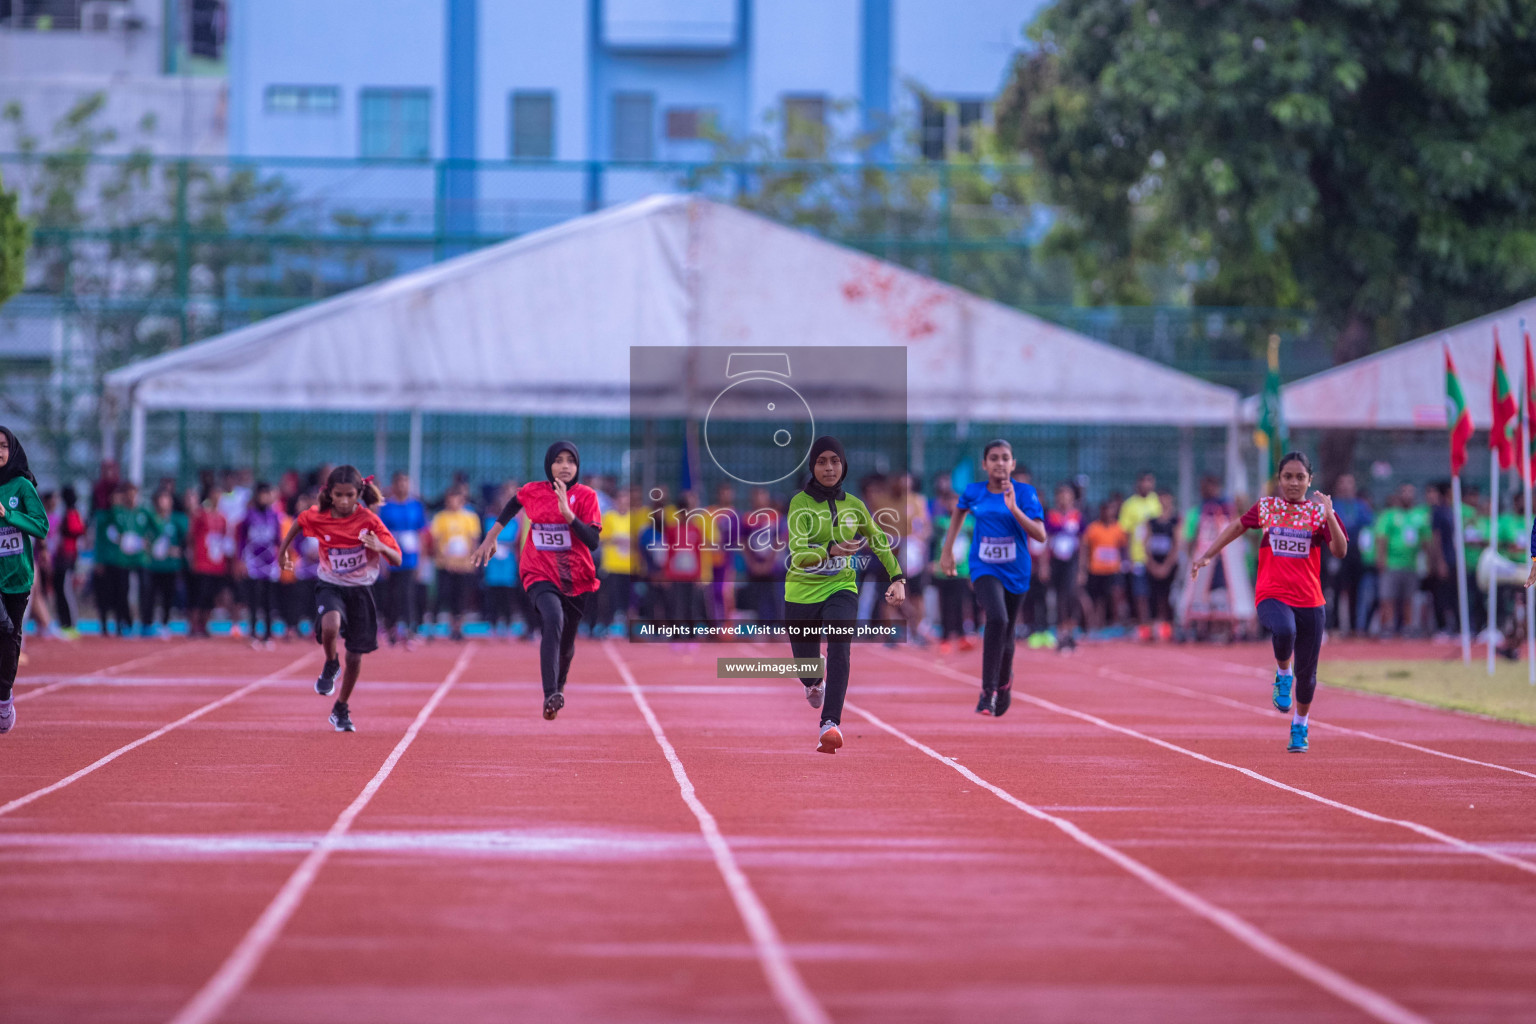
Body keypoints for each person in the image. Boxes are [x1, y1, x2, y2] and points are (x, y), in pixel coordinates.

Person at [1191, 452, 1347, 753]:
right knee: (1284, 630)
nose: (1293, 482)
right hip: (1271, 594)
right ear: (1279, 480)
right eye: (1287, 476)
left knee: (1309, 676)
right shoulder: (1268, 508)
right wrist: (1208, 554)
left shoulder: (1319, 513)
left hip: (1310, 601)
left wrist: (1330, 516)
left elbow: (1339, 551)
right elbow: (1237, 526)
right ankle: (1282, 673)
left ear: (1310, 481)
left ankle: (1300, 725)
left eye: (1300, 477)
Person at [785, 436, 906, 753]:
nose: (829, 467)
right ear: (813, 466)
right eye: (822, 461)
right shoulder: (800, 504)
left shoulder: (855, 505)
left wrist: (897, 577)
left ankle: (830, 723)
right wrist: (831, 550)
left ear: (844, 465)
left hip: (840, 587)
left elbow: (879, 540)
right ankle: (814, 683)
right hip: (801, 592)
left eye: (835, 461)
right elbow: (798, 553)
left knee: (840, 645)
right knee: (806, 667)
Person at [473, 441, 602, 720]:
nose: (565, 466)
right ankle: (549, 694)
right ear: (548, 465)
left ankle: (559, 685)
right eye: (558, 460)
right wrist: (491, 536)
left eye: (571, 461)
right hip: (538, 572)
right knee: (552, 618)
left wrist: (569, 516)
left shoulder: (587, 497)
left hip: (576, 579)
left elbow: (592, 541)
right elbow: (512, 504)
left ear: (577, 466)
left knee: (566, 644)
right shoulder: (533, 491)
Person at [278, 466, 401, 733]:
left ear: (358, 494)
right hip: (330, 584)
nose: (344, 501)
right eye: (339, 495)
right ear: (329, 494)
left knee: (355, 657)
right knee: (329, 625)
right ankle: (331, 662)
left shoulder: (369, 521)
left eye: (350, 495)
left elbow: (397, 557)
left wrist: (378, 546)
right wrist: (283, 552)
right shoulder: (318, 516)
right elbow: (298, 523)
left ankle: (341, 706)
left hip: (361, 590)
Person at [938, 440, 1047, 717]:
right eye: (994, 458)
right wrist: (947, 550)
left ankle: (1004, 682)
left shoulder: (1025, 493)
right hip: (984, 566)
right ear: (985, 464)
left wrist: (1014, 509)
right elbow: (959, 514)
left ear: (1012, 463)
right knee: (996, 618)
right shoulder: (973, 492)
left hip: (1017, 569)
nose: (1000, 463)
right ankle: (987, 693)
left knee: (1007, 633)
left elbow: (1040, 534)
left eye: (1005, 458)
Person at [0, 427, 47, 732]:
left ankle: (4, 696)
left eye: (2, 446)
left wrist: (8, 515)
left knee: (9, 639)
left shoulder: (21, 486)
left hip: (16, 576)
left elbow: (41, 527)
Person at [375, 472, 427, 647]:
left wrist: (421, 560)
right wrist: (382, 560)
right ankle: (390, 628)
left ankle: (409, 630)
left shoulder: (416, 506)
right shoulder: (387, 507)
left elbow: (422, 534)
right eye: (399, 483)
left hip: (411, 558)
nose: (402, 486)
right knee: (391, 595)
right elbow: (381, 534)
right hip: (392, 557)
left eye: (405, 482)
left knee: (407, 595)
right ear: (394, 485)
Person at [430, 486, 481, 642]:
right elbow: (436, 541)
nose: (453, 502)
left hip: (463, 564)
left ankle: (457, 627)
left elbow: (473, 541)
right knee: (443, 594)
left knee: (461, 596)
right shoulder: (440, 517)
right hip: (445, 564)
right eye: (450, 499)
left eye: (456, 499)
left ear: (462, 500)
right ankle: (432, 627)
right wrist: (446, 561)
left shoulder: (470, 517)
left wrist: (470, 561)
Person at [1374, 483, 1427, 636]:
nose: (1408, 496)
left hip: (1411, 564)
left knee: (1409, 598)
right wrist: (1381, 559)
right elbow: (1382, 538)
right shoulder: (1389, 515)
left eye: (1411, 492)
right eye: (1405, 492)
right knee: (1388, 597)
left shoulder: (1419, 515)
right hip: (1391, 564)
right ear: (1399, 494)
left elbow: (1426, 538)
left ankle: (1408, 627)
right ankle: (1388, 627)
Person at [237, 483, 285, 647]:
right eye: (262, 494)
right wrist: (241, 559)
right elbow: (242, 540)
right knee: (253, 599)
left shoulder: (274, 516)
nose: (265, 498)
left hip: (269, 563)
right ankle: (252, 633)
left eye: (267, 494)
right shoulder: (249, 516)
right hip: (253, 562)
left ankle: (267, 635)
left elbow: (278, 540)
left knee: (268, 600)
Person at [1119, 471, 1162, 640]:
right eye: (1143, 481)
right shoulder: (1129, 505)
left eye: (1149, 481)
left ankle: (1158, 624)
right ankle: (1144, 624)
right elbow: (1126, 533)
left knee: (1156, 592)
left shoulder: (1156, 502)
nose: (1147, 485)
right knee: (1140, 592)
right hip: (1137, 556)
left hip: (1156, 556)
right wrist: (1127, 557)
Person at [931, 488, 974, 653]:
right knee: (945, 604)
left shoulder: (970, 523)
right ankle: (945, 637)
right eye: (949, 501)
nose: (952, 505)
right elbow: (933, 544)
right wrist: (932, 562)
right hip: (943, 569)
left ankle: (963, 636)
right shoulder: (940, 523)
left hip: (962, 570)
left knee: (962, 604)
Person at [481, 482, 525, 640]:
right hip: (493, 564)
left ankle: (507, 626)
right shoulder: (490, 520)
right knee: (493, 596)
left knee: (507, 596)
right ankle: (492, 626)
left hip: (508, 564)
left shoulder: (514, 522)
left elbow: (515, 540)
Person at [186, 488, 229, 639]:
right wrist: (192, 557)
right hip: (202, 562)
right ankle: (193, 625)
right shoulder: (201, 515)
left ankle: (204, 625)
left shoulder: (222, 518)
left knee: (211, 596)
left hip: (216, 564)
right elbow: (191, 537)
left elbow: (223, 539)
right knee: (198, 595)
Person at [143, 489, 186, 637]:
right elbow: (144, 538)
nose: (164, 502)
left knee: (168, 596)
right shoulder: (150, 519)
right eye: (161, 499)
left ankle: (164, 623)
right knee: (149, 595)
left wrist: (178, 550)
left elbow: (185, 541)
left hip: (170, 566)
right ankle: (146, 624)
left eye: (167, 499)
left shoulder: (176, 520)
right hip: (153, 565)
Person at [1082, 502, 1128, 631]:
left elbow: (1124, 546)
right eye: (1104, 510)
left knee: (1115, 596)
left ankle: (1115, 623)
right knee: (1097, 599)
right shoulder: (1093, 528)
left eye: (1110, 510)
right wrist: (1084, 566)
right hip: (1096, 569)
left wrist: (1126, 562)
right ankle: (1096, 624)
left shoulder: (1118, 528)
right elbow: (1085, 546)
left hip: (1113, 569)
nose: (1107, 513)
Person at [1145, 491, 1180, 641]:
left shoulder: (1176, 520)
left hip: (1169, 565)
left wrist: (1167, 566)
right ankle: (1153, 629)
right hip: (1154, 564)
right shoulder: (1151, 522)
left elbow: (1177, 544)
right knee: (1153, 597)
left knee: (1169, 597)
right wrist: (1152, 564)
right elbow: (1145, 544)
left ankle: (1171, 628)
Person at [52, 485, 85, 637]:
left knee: (66, 590)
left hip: (68, 557)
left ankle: (71, 624)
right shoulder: (67, 513)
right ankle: (64, 623)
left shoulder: (72, 514)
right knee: (60, 589)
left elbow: (77, 531)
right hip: (62, 557)